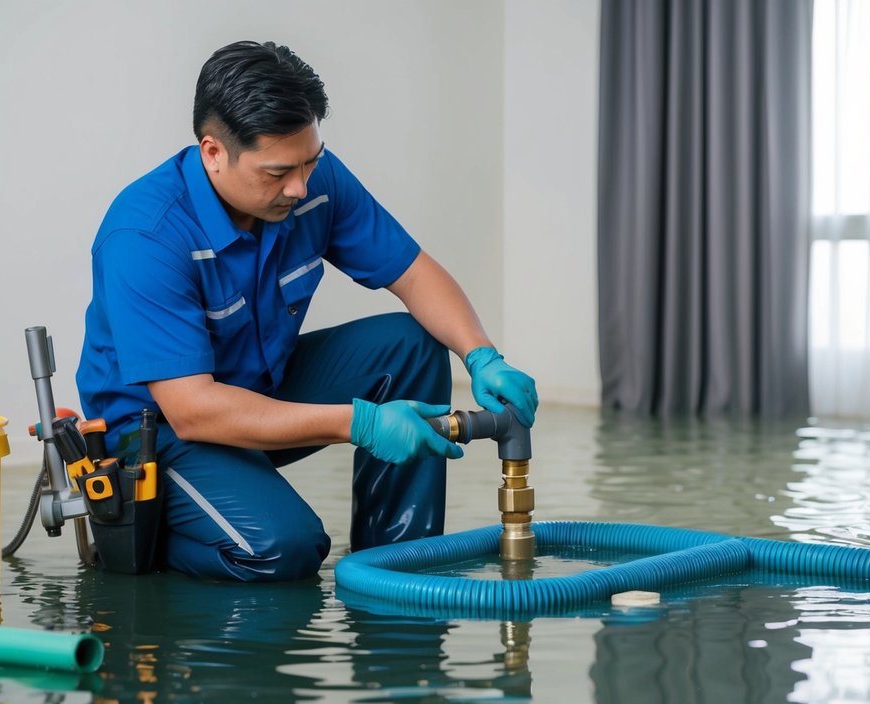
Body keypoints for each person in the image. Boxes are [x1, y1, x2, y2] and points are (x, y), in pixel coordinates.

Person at [76, 40, 538, 582]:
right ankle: (141, 531)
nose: (298, 186)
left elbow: (412, 272)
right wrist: (360, 422)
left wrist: (482, 356)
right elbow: (193, 409)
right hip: (159, 434)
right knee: (286, 548)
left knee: (408, 346)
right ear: (213, 153)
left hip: (260, 389)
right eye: (276, 173)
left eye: (310, 161)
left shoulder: (312, 179)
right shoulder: (146, 236)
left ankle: (396, 567)